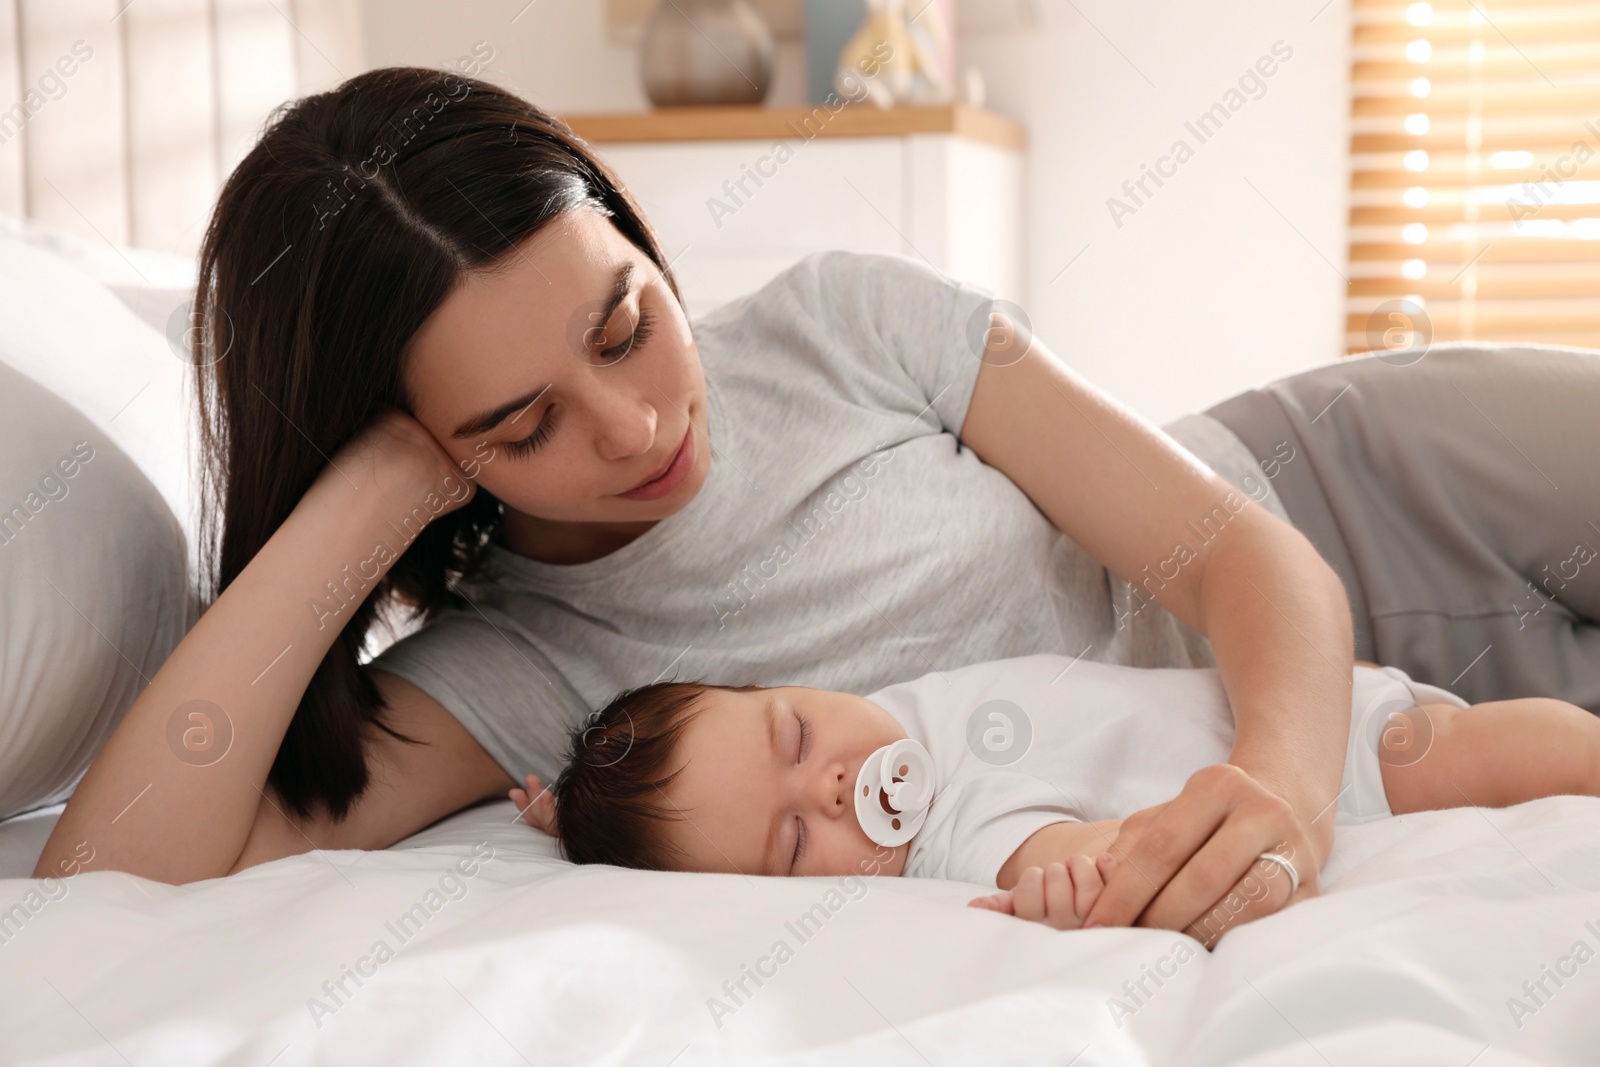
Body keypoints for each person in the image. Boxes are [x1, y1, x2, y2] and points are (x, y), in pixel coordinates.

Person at [31, 64, 1600, 943]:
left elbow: (1238, 553)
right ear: (429, 455)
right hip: (1427, 736)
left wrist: (1283, 787)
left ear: (638, 237)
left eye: (625, 318)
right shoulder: (520, 679)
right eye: (522, 423)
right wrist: (359, 498)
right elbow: (103, 892)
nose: (640, 422)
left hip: (1363, 494)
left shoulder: (843, 316)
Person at [509, 651, 1600, 947]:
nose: (833, 782)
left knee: (1509, 741)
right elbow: (1062, 853)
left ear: (777, 685)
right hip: (1338, 796)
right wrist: (1072, 881)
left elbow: (694, 778)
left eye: (796, 733)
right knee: (1487, 759)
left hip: (1319, 726)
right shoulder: (950, 842)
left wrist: (582, 797)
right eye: (794, 840)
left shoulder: (877, 708)